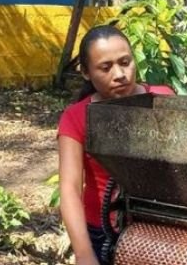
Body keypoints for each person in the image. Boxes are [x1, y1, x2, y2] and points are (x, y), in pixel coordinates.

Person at [57, 25, 175, 265]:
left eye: (125, 61)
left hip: (161, 228)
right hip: (103, 233)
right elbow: (69, 188)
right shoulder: (76, 116)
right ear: (86, 73)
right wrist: (84, 254)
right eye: (106, 67)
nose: (120, 74)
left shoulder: (162, 99)